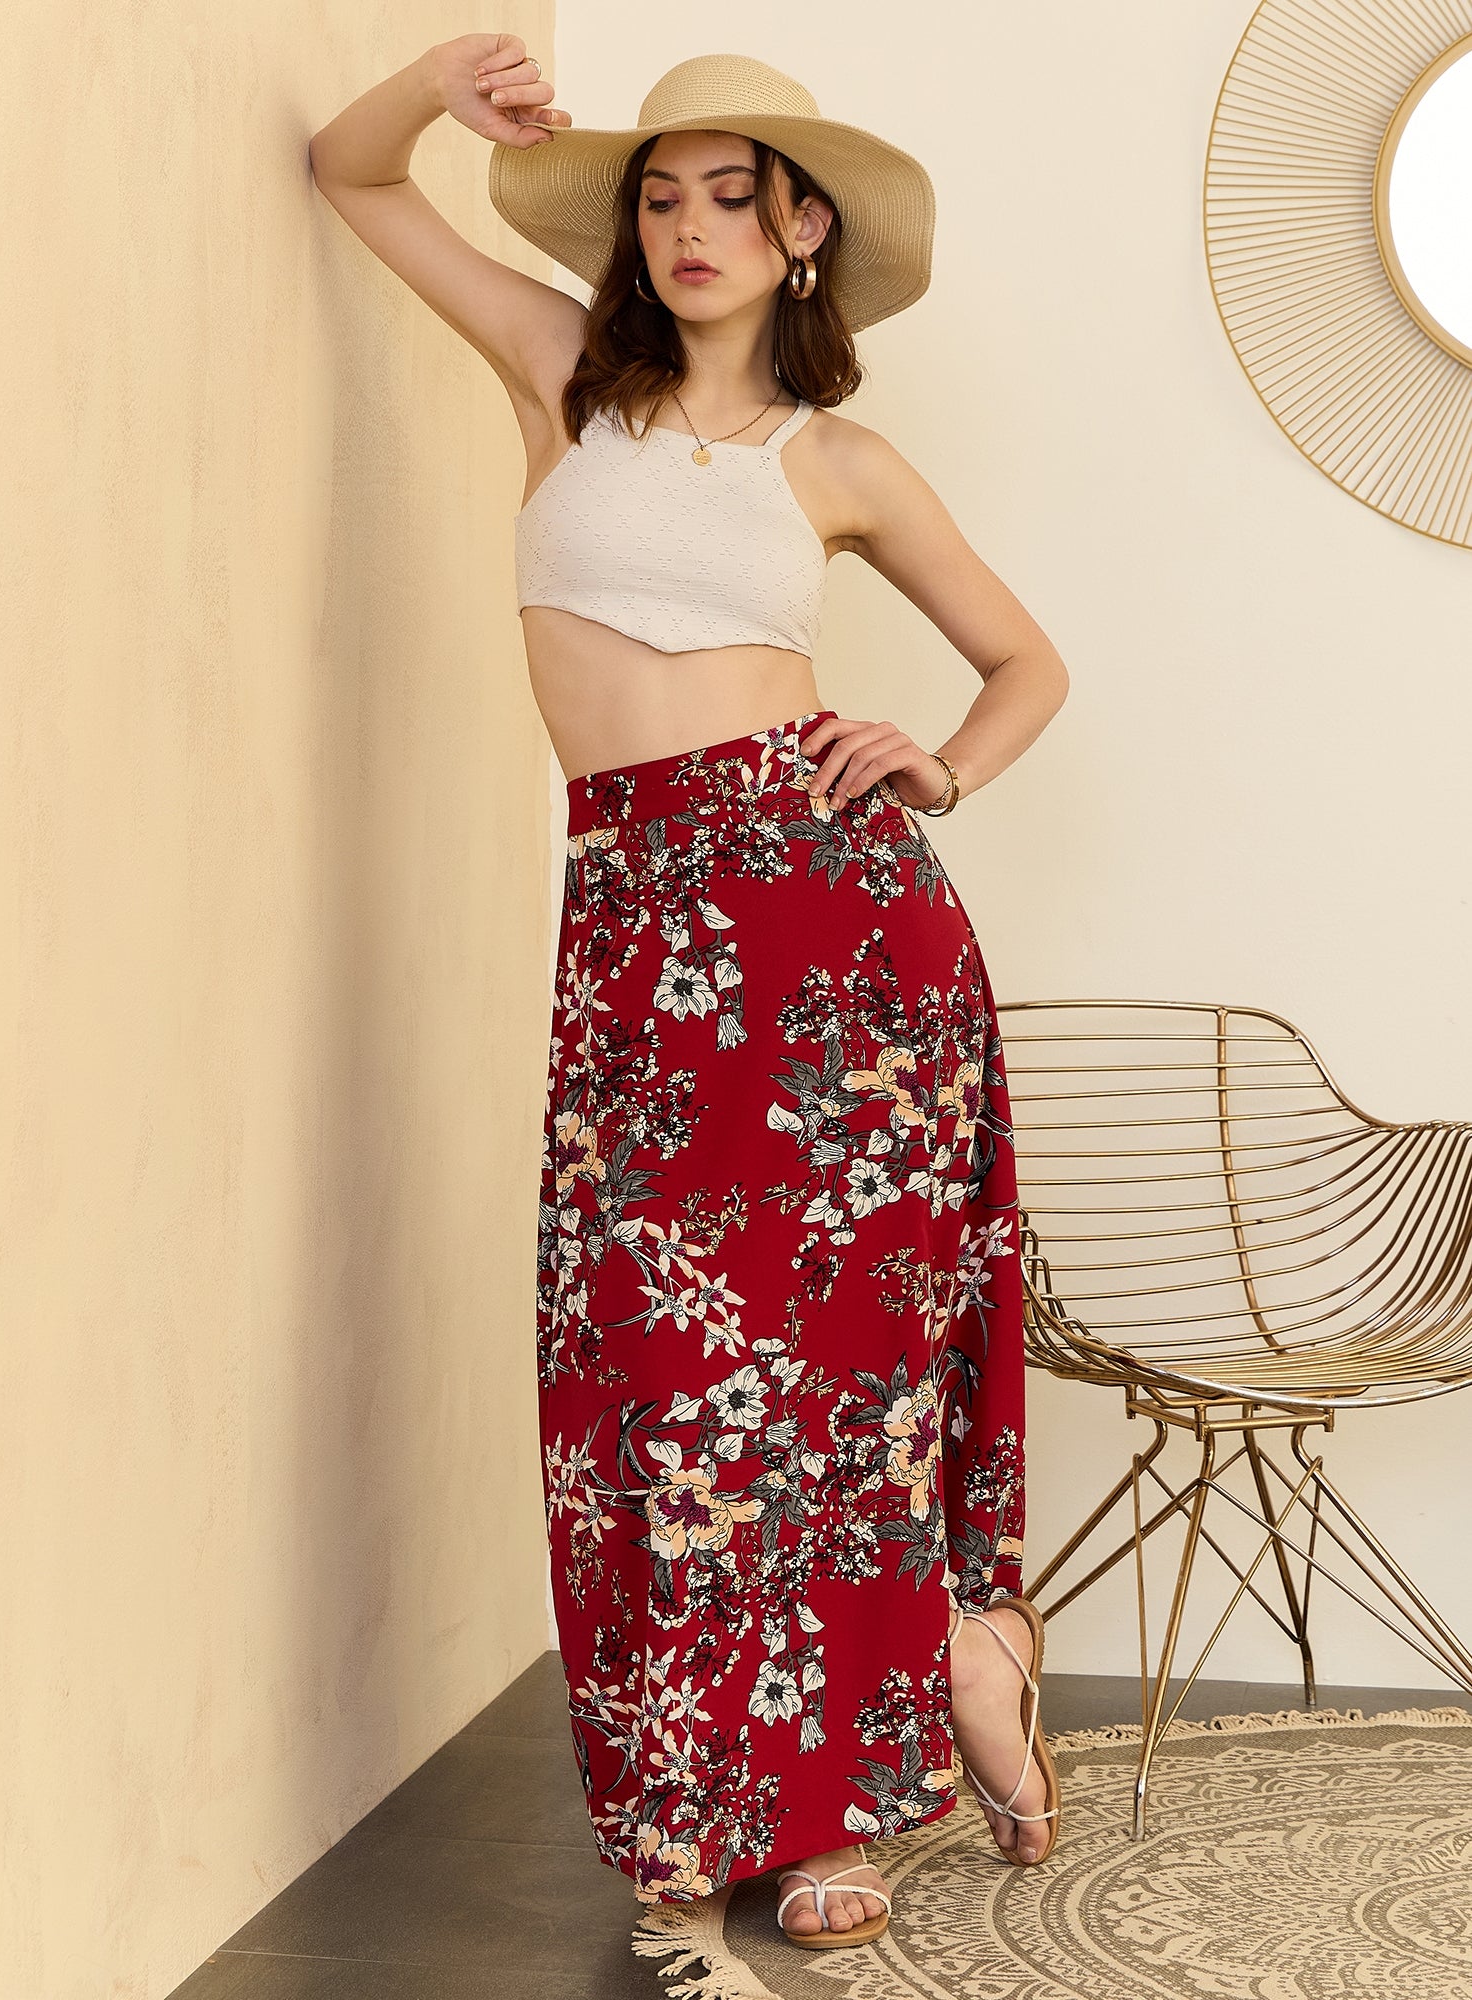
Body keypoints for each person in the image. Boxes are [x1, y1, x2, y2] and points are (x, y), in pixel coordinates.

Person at [308, 41, 1070, 1948]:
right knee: (655, 1378)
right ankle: (818, 1724)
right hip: (638, 930)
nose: (689, 228)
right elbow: (352, 175)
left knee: (828, 1378)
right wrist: (435, 83)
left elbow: (1027, 664)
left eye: (733, 196)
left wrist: (939, 767)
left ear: (804, 231)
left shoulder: (839, 462)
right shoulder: (566, 374)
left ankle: (837, 1802)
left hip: (833, 933)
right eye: (661, 196)